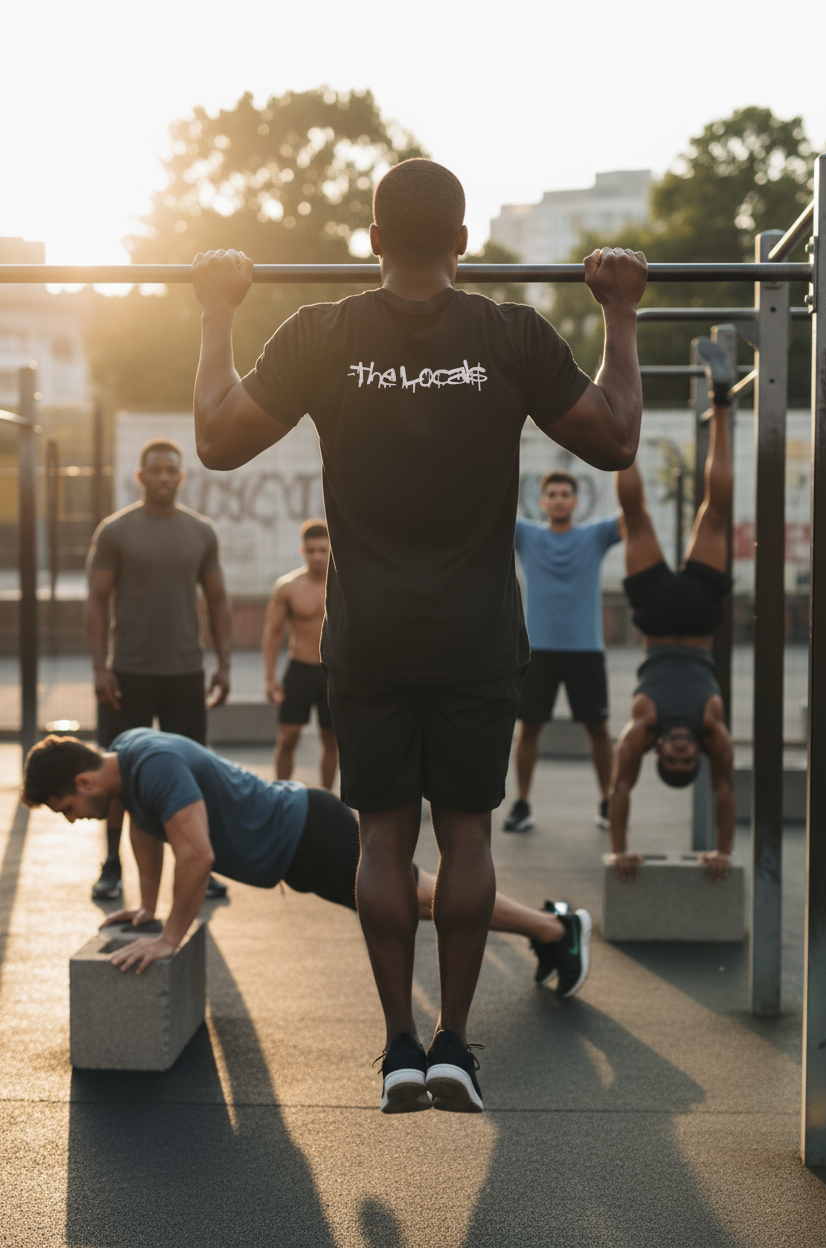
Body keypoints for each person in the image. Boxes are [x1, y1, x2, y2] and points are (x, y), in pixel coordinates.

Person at [188, 159, 646, 1112]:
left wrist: (217, 311)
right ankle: (453, 1048)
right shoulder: (511, 334)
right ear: (464, 243)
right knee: (467, 836)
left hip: (371, 640)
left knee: (384, 840)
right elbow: (614, 437)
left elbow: (218, 440)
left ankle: (400, 1044)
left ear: (373, 240)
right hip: (476, 638)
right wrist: (620, 312)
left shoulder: (321, 333)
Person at [21, 729, 593, 1112]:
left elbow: (195, 855)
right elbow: (146, 830)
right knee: (421, 899)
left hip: (309, 833)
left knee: (422, 900)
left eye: (66, 809)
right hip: (298, 841)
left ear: (85, 782)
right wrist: (148, 907)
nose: (72, 820)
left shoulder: (154, 766)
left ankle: (557, 930)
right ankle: (554, 927)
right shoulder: (128, 761)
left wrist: (170, 938)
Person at [85, 438, 232, 903]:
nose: (165, 477)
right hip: (128, 673)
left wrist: (224, 663)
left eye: (172, 471)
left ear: (181, 477)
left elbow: (218, 599)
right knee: (116, 773)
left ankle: (201, 864)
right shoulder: (115, 531)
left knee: (192, 772)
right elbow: (96, 600)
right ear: (141, 476)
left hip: (185, 672)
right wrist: (100, 668)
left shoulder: (201, 531)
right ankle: (112, 865)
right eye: (157, 470)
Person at [608, 397, 735, 884]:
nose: (680, 751)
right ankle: (721, 405)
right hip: (700, 617)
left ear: (657, 751)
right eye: (687, 758)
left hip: (657, 616)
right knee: (716, 514)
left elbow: (620, 789)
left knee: (635, 516)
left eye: (671, 757)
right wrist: (722, 851)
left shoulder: (642, 728)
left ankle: (622, 430)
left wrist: (620, 852)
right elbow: (725, 790)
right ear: (697, 754)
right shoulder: (712, 731)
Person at [504, 470, 621, 834]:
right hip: (538, 652)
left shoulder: (595, 536)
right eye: (552, 494)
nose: (558, 500)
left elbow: (633, 513)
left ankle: (609, 802)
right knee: (529, 728)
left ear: (575, 501)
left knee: (599, 729)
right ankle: (523, 804)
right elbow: (494, 507)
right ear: (542, 502)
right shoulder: (526, 535)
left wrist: (624, 461)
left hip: (585, 650)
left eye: (565, 494)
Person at [262, 520, 337, 788]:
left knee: (331, 739)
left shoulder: (343, 585)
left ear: (331, 550)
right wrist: (270, 677)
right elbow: (273, 632)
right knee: (288, 736)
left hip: (332, 671)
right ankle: (281, 796)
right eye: (312, 550)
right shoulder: (288, 586)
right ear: (303, 551)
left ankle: (327, 797)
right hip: (299, 669)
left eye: (323, 550)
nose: (317, 556)